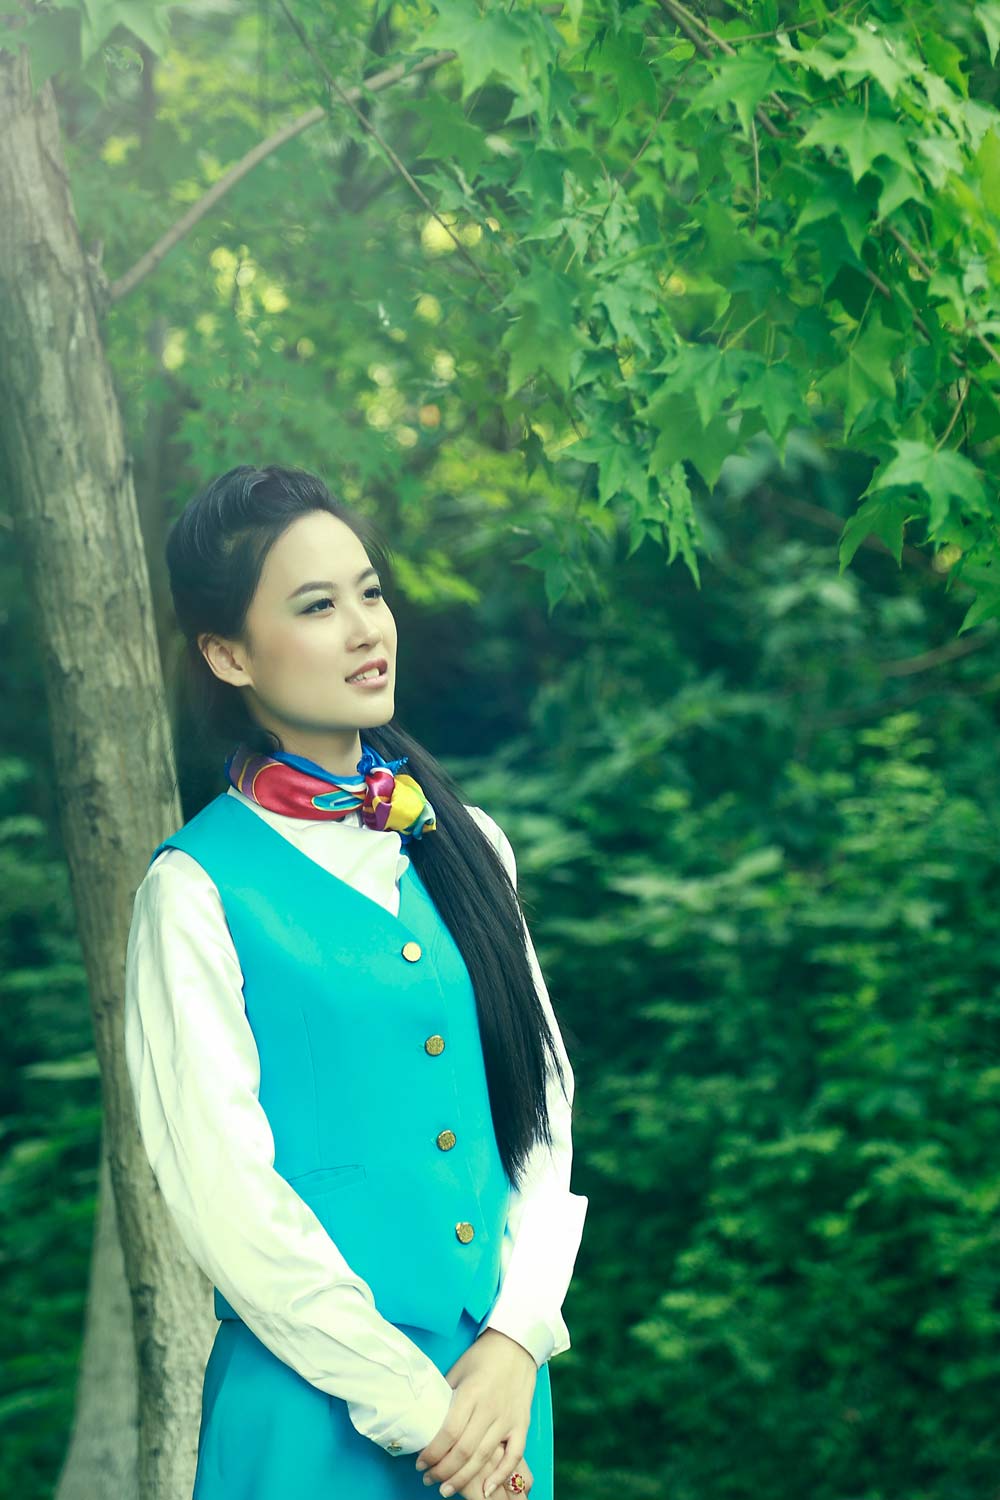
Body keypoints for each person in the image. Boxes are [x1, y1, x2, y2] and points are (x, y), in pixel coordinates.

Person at [123, 465, 589, 1499]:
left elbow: (541, 1106)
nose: (365, 628)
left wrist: (518, 1338)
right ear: (228, 654)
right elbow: (226, 1200)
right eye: (316, 606)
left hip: (499, 1404)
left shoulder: (468, 843)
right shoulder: (194, 891)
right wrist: (425, 1413)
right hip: (316, 1419)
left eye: (369, 592)